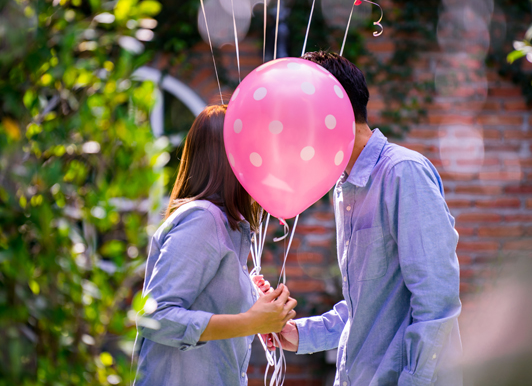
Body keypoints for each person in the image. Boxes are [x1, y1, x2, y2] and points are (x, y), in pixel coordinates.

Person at [271, 52, 463, 386]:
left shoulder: (404, 173)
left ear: (328, 112)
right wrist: (303, 334)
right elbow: (368, 307)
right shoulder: (344, 187)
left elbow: (437, 303)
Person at [133, 105, 297, 386]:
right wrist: (251, 321)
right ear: (229, 158)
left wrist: (251, 296)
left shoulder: (226, 224)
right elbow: (156, 316)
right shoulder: (204, 219)